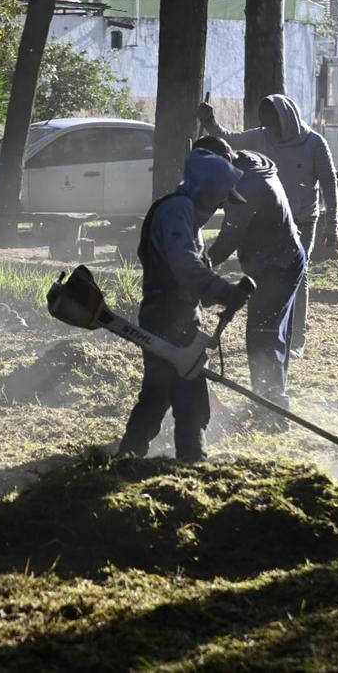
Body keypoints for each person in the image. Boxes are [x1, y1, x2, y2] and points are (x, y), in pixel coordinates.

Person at [116, 148, 253, 462]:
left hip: (178, 314)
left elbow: (191, 269)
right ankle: (187, 459)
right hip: (166, 315)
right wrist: (221, 289)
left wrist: (213, 296)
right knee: (181, 393)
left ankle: (133, 455)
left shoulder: (187, 214)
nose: (221, 204)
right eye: (220, 196)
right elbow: (183, 263)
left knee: (165, 391)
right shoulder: (177, 210)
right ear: (207, 189)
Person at [198, 93, 338, 356]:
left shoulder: (314, 144)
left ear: (287, 120)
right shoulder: (260, 136)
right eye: (266, 125)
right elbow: (228, 139)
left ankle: (297, 337)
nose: (270, 130)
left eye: (274, 125)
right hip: (270, 220)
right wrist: (210, 122)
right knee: (268, 273)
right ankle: (271, 332)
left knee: (299, 273)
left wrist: (333, 225)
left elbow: (329, 184)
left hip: (302, 219)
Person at [194, 136, 306, 429]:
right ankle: (271, 402)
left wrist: (199, 271)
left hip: (278, 263)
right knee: (271, 333)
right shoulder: (245, 163)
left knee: (263, 335)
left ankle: (273, 413)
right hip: (281, 256)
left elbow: (228, 239)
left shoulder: (246, 186)